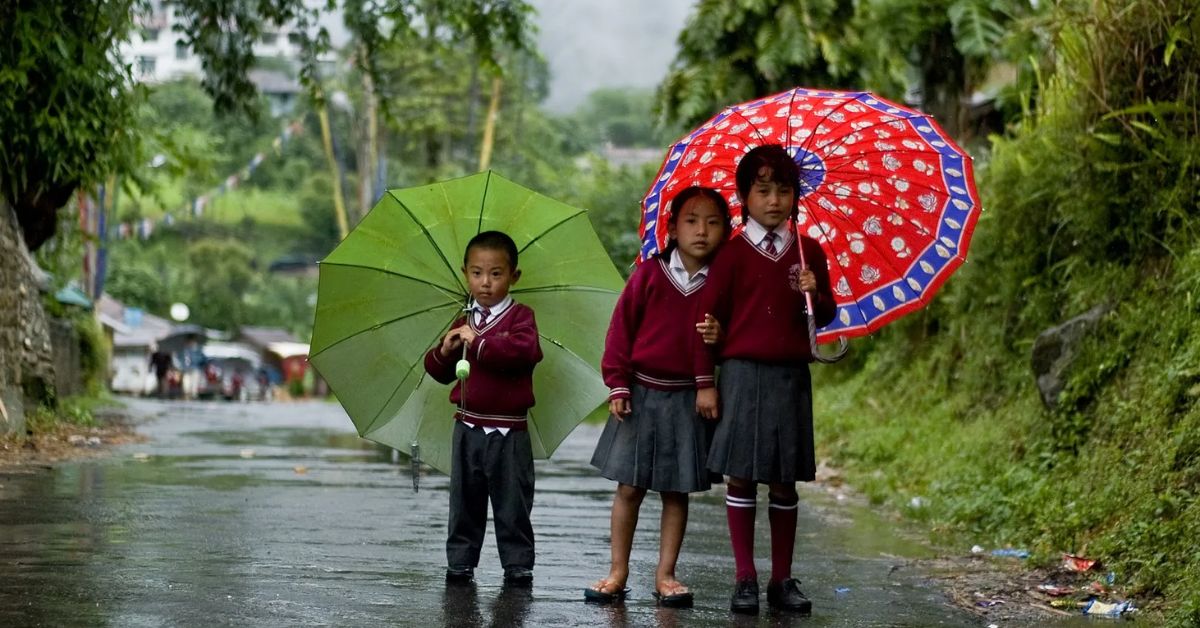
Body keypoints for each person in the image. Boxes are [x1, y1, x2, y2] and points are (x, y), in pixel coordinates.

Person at [692, 144, 836, 615]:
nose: (774, 201)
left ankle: (781, 578)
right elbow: (707, 318)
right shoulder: (731, 254)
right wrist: (705, 382)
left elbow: (827, 314)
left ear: (796, 195)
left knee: (783, 480)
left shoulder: (808, 250)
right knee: (741, 476)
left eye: (784, 191)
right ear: (744, 198)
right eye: (763, 191)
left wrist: (817, 293)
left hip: (791, 376)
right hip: (741, 374)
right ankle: (744, 578)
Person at [586, 187, 730, 608]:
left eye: (712, 222)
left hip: (689, 399)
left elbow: (735, 339)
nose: (701, 230)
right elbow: (620, 332)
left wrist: (720, 340)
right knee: (629, 487)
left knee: (675, 490)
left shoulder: (723, 283)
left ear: (726, 230)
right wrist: (618, 383)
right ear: (671, 228)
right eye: (691, 220)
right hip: (641, 394)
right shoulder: (649, 274)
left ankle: (666, 574)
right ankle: (617, 570)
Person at [423, 230, 544, 587]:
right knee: (464, 501)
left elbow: (522, 353)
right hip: (467, 427)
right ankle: (460, 561)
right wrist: (446, 349)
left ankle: (517, 562)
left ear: (513, 276)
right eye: (477, 273)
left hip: (509, 430)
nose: (486, 282)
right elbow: (437, 372)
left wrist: (479, 342)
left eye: (496, 273)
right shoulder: (463, 320)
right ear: (465, 273)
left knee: (512, 502)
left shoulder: (522, 317)